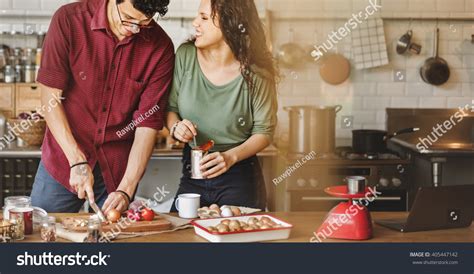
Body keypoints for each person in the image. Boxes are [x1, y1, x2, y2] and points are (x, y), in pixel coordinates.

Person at [31, 0, 174, 214]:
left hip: (116, 172)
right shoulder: (69, 20)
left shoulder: (160, 47)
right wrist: (77, 160)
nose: (134, 30)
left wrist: (126, 189)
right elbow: (49, 97)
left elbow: (148, 124)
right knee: (42, 235)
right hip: (64, 161)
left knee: (113, 242)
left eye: (143, 23)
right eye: (128, 19)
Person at [167, 0, 278, 211]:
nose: (195, 22)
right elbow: (171, 108)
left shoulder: (257, 72)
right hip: (193, 171)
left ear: (231, 24)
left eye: (204, 18)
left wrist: (230, 157)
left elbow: (264, 132)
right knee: (180, 237)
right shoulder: (185, 55)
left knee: (237, 237)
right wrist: (175, 127)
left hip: (239, 176)